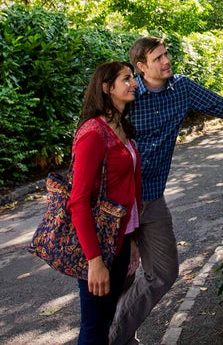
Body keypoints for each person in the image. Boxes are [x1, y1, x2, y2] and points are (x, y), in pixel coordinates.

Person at [109, 36, 223, 345]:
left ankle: (114, 334)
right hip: (117, 203)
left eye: (166, 54)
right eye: (158, 58)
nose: (166, 60)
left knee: (163, 273)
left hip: (151, 199)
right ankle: (119, 337)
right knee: (120, 277)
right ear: (141, 67)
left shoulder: (181, 88)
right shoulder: (127, 95)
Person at [69, 61, 142, 345]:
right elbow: (78, 201)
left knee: (107, 320)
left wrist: (132, 239)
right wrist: (94, 262)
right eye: (126, 79)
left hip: (121, 240)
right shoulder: (93, 133)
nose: (134, 83)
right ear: (107, 88)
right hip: (101, 246)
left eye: (133, 78)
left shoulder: (120, 127)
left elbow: (127, 189)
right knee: (95, 329)